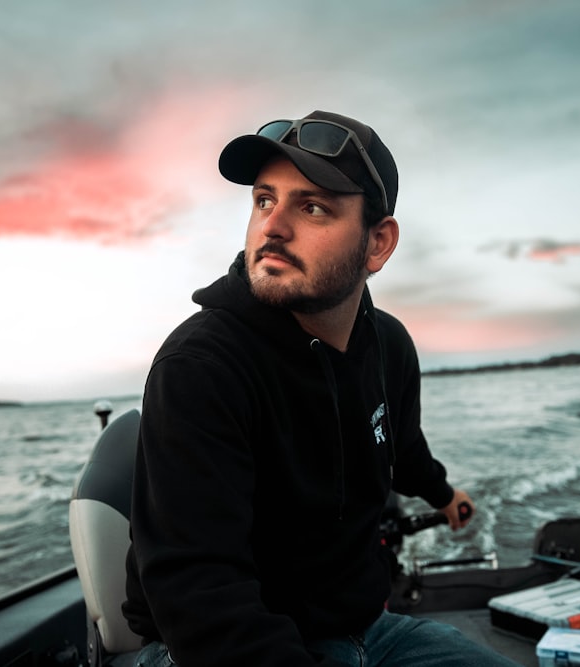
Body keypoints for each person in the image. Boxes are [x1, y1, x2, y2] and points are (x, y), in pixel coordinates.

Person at [123, 110, 520, 667]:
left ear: (377, 244)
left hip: (368, 631)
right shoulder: (202, 366)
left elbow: (401, 447)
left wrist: (442, 494)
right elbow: (201, 599)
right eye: (264, 200)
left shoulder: (388, 346)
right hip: (208, 647)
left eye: (312, 207)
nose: (272, 226)